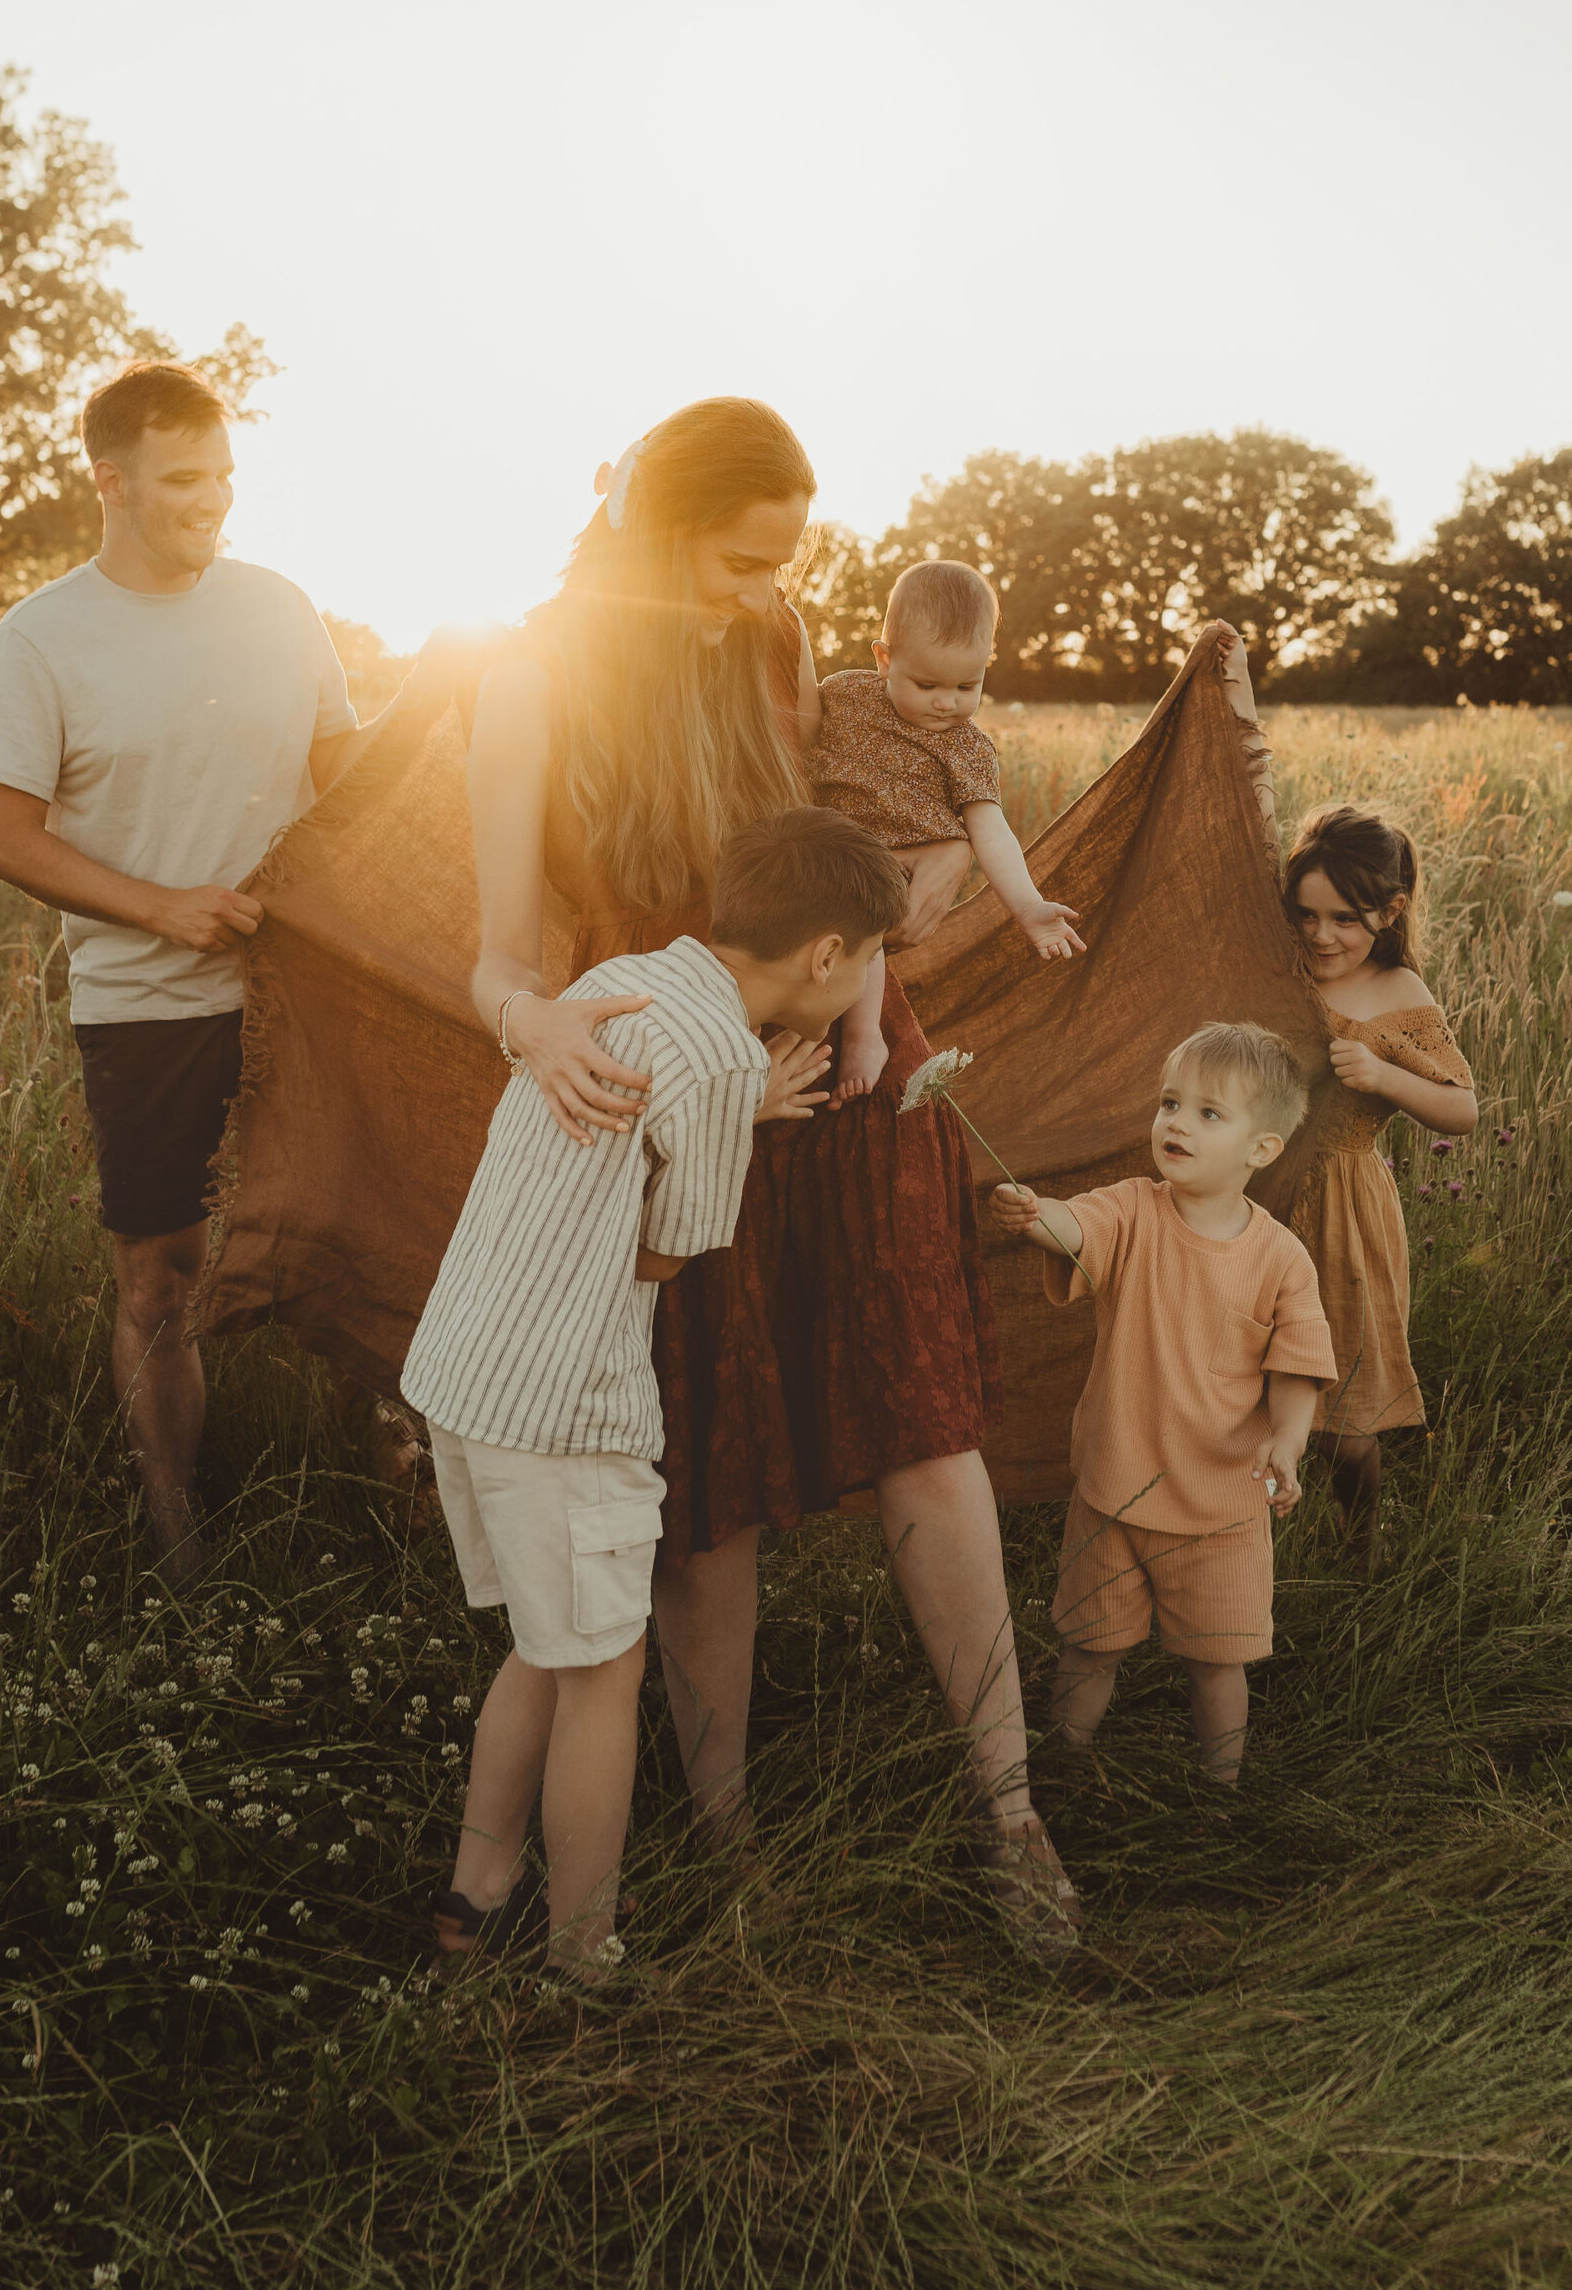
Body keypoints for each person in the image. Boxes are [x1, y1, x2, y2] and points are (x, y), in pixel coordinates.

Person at [463, 395, 1080, 1953]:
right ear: (657, 531)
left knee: (921, 1407)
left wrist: (902, 921)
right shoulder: (526, 676)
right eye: (742, 564)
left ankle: (1007, 1808)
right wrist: (535, 1027)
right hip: (675, 1097)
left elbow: (868, 821)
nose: (766, 596)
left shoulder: (778, 640)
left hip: (849, 1060)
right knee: (704, 1463)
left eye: (781, 565)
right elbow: (496, 963)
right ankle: (730, 1835)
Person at [407, 810, 905, 1982]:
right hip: (566, 1399)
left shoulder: (624, 980)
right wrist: (744, 1113)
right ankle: (585, 1953)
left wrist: (743, 1113)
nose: (875, 977)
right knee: (603, 1672)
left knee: (546, 1642)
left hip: (467, 1363)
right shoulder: (729, 1062)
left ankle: (475, 1900)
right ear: (827, 957)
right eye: (877, 955)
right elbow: (665, 1258)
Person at [0, 360, 371, 1580]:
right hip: (148, 1004)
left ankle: (372, 1462)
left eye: (227, 476)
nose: (216, 500)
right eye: (188, 479)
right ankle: (178, 1527)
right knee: (161, 1273)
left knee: (348, 1234)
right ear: (112, 481)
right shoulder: (43, 637)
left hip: (304, 990)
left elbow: (347, 785)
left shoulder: (282, 608)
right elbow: (4, 837)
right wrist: (163, 909)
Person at [993, 1023, 1336, 1785]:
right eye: (1170, 1103)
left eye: (1208, 1114)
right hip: (1114, 1489)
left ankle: (1221, 1792)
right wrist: (1035, 1214)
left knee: (1218, 1662)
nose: (1176, 1122)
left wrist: (1287, 1440)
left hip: (1220, 1507)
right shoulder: (1132, 1210)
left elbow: (1297, 1365)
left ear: (1262, 1150)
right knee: (1089, 1646)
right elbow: (1078, 1226)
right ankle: (1061, 1773)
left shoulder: (1280, 1258)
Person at [804, 557, 1084, 1100]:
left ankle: (864, 1038)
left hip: (886, 870)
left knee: (863, 920)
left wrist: (1028, 908)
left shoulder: (966, 746)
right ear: (884, 660)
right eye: (928, 683)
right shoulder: (841, 694)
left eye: (966, 685)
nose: (946, 702)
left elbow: (992, 831)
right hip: (821, 848)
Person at [1280, 806, 1478, 1550]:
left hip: (1341, 1208)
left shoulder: (1399, 993)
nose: (1320, 935)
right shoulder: (1278, 963)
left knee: (1341, 1406)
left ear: (1390, 910)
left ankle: (1358, 1537)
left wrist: (1384, 1075)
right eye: (1305, 914)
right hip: (1257, 1193)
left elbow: (1460, 1109)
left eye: (1343, 918)